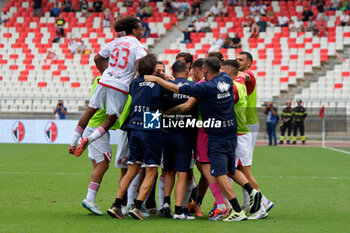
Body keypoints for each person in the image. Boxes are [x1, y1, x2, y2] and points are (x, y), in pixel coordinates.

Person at [145, 57, 263, 221]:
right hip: (231, 133)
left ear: (205, 70)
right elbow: (227, 72)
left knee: (218, 172)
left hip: (215, 135)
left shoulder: (205, 87)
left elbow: (177, 91)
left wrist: (158, 81)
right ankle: (253, 191)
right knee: (230, 169)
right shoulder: (227, 80)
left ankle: (234, 209)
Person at [69, 16, 146, 156]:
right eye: (141, 29)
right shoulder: (137, 45)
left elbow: (97, 58)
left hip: (104, 81)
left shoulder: (115, 42)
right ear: (134, 30)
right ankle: (89, 139)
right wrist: (137, 79)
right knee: (110, 119)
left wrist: (105, 73)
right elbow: (141, 62)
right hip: (121, 86)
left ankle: (73, 142)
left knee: (90, 110)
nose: (142, 31)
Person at [107, 54, 163, 220]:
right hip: (151, 124)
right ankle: (137, 207)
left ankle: (117, 205)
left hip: (135, 127)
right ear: (154, 69)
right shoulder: (159, 84)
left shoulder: (135, 82)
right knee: (152, 170)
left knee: (132, 170)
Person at [236, 51, 274, 213]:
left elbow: (245, 78)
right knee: (238, 168)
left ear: (249, 63)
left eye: (241, 60)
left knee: (243, 168)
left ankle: (262, 201)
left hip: (248, 126)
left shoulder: (247, 75)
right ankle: (248, 202)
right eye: (236, 59)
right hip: (244, 126)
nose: (238, 61)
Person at [161, 60, 198, 220]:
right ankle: (178, 210)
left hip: (167, 134)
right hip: (185, 135)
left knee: (168, 170)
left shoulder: (165, 86)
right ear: (188, 70)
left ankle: (166, 203)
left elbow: (159, 108)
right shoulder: (193, 87)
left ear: (172, 71)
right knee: (182, 173)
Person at [80, 76, 114, 216]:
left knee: (96, 164)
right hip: (97, 127)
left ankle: (90, 199)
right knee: (103, 164)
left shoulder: (99, 79)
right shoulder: (108, 82)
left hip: (92, 125)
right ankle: (89, 198)